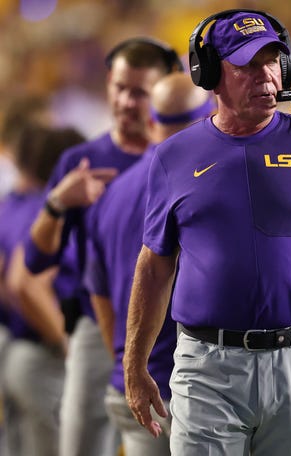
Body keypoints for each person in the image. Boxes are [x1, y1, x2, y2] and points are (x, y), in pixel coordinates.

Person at [123, 9, 291, 456]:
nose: (267, 76)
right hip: (206, 368)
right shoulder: (172, 158)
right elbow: (154, 268)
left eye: (273, 60)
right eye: (248, 65)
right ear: (210, 73)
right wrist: (134, 364)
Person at [20, 37, 183, 456]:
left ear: (161, 94)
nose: (128, 101)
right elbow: (38, 258)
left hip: (171, 328)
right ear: (108, 82)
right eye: (121, 87)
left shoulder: (179, 159)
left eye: (141, 92)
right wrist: (58, 203)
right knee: (79, 443)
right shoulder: (83, 160)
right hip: (97, 323)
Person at [84, 72, 215, 455]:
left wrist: (128, 366)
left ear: (152, 121)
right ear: (209, 117)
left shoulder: (113, 193)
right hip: (193, 392)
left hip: (132, 389)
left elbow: (100, 294)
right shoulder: (206, 184)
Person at [0, 124, 85, 456]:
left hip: (17, 349)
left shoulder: (11, 204)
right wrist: (66, 343)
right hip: (41, 357)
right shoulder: (42, 209)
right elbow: (24, 283)